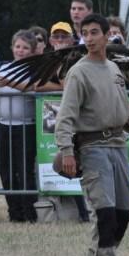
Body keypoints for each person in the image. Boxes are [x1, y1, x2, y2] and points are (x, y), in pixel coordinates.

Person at [55, 14, 129, 256]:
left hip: (119, 145)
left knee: (123, 214)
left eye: (94, 33)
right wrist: (66, 150)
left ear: (107, 34)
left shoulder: (114, 68)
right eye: (84, 33)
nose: (88, 39)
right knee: (105, 214)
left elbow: (122, 109)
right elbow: (65, 116)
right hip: (92, 147)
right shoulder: (78, 71)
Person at [0, 29, 38, 222]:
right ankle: (15, 212)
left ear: (32, 51)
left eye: (25, 48)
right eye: (18, 46)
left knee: (25, 170)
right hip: (4, 126)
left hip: (26, 126)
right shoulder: (2, 66)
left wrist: (11, 83)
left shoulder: (34, 68)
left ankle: (30, 212)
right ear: (12, 47)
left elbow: (34, 91)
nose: (20, 51)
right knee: (5, 169)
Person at [35, 21, 90, 222]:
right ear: (50, 40)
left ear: (72, 39)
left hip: (80, 119)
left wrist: (56, 84)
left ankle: (87, 212)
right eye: (56, 37)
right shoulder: (47, 60)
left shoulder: (78, 59)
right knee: (64, 165)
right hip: (60, 121)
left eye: (63, 37)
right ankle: (77, 212)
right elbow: (36, 85)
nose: (59, 40)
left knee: (81, 164)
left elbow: (66, 83)